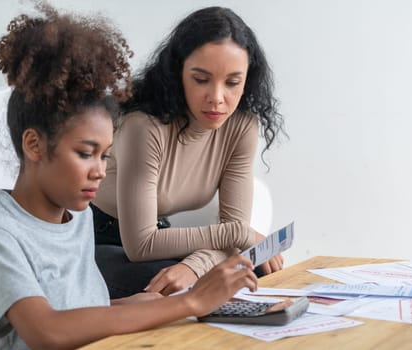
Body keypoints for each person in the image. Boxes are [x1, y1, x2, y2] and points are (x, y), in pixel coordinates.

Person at [0, 3, 257, 349]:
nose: (101, 170)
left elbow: (78, 313)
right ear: (34, 145)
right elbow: (46, 331)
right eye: (86, 154)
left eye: (104, 155)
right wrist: (189, 301)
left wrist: (129, 306)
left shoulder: (77, 219)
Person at [92, 6, 285, 298]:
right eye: (201, 79)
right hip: (98, 239)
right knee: (166, 285)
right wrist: (237, 235)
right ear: (178, 72)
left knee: (251, 269)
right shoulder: (143, 126)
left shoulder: (242, 126)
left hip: (161, 238)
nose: (217, 98)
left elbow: (235, 230)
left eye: (232, 82)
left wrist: (196, 265)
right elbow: (141, 244)